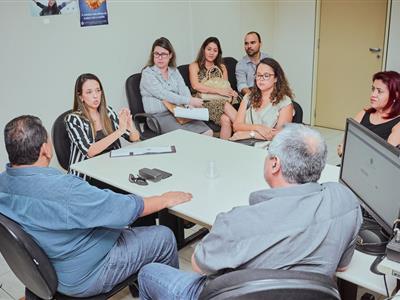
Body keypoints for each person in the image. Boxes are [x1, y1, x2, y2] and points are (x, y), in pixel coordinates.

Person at [137, 124, 363, 300]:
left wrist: (218, 234)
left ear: (274, 164)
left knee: (148, 273)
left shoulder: (237, 222)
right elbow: (342, 266)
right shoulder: (346, 201)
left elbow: (198, 266)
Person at [0, 115, 192, 297]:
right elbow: (125, 210)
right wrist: (164, 198)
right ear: (45, 149)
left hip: (44, 268)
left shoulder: (3, 183)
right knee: (163, 237)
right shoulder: (65, 189)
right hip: (84, 274)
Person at [65, 73, 140, 179]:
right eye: (89, 92)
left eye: (98, 90)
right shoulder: (74, 119)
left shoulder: (108, 112)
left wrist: (130, 126)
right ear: (81, 96)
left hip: (112, 169)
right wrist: (119, 131)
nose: (95, 95)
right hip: (87, 177)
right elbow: (90, 151)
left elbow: (133, 138)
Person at [140, 37, 212, 136]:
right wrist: (189, 101)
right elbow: (164, 94)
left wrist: (189, 105)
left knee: (208, 132)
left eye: (164, 54)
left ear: (170, 55)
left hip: (179, 112)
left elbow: (183, 88)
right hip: (159, 117)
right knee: (190, 138)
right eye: (157, 54)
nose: (160, 58)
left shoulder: (174, 71)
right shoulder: (147, 74)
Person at [224, 57, 293, 143]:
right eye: (258, 75)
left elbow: (280, 135)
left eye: (266, 75)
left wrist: (250, 134)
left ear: (276, 78)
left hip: (267, 150)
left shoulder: (285, 102)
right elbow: (237, 126)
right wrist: (258, 128)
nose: (261, 79)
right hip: (243, 144)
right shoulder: (249, 97)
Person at [337, 71, 400, 156]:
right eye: (373, 89)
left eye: (379, 91)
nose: (373, 95)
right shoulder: (364, 113)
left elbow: (387, 159)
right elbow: (344, 144)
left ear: (396, 95)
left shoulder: (397, 124)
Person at [189, 37, 238, 130]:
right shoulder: (194, 65)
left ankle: (229, 142)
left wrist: (232, 92)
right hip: (203, 101)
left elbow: (226, 85)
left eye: (215, 50)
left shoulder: (222, 67)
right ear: (203, 50)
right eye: (209, 49)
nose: (211, 53)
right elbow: (196, 86)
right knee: (225, 105)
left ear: (218, 52)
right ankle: (247, 130)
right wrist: (219, 91)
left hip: (220, 99)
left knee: (226, 119)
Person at [236, 31, 269, 96]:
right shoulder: (241, 64)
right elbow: (242, 86)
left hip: (268, 93)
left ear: (260, 44)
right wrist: (254, 98)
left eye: (252, 43)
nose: (249, 46)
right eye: (246, 43)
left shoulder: (268, 59)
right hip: (251, 94)